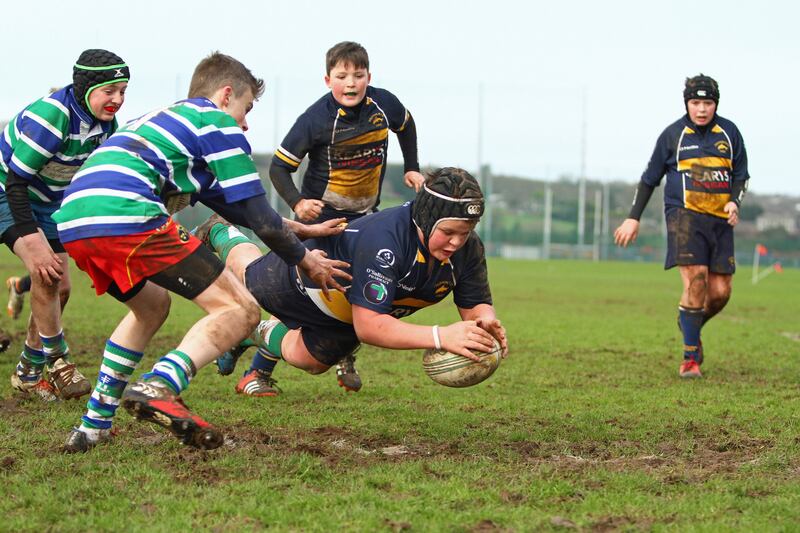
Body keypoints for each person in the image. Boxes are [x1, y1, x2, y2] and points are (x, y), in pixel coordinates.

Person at [55, 51, 350, 453]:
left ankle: (93, 425)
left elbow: (240, 209)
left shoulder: (167, 121)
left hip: (75, 218)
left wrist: (301, 228)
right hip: (126, 211)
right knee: (241, 309)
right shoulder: (217, 123)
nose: (246, 123)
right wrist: (306, 259)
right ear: (226, 95)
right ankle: (160, 385)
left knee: (151, 306)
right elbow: (262, 222)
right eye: (245, 109)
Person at [202, 167, 508, 397]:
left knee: (309, 361)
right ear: (426, 221)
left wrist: (484, 324)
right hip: (304, 280)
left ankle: (253, 332)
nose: (457, 242)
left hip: (348, 310)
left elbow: (474, 303)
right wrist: (441, 337)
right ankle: (222, 233)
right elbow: (370, 326)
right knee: (245, 276)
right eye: (449, 232)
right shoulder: (385, 242)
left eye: (465, 232)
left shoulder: (469, 250)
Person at [267, 41, 426, 391]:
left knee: (366, 291)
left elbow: (407, 124)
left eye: (358, 75)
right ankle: (260, 363)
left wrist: (411, 168)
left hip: (366, 218)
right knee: (303, 295)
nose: (351, 83)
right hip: (322, 222)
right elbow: (279, 168)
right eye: (342, 76)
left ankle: (344, 355)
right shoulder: (315, 120)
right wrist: (297, 203)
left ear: (370, 77)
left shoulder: (384, 104)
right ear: (328, 80)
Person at [0, 50, 130, 401]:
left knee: (63, 288)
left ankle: (28, 368)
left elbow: (90, 179)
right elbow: (15, 184)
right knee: (46, 273)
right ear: (86, 88)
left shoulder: (106, 126)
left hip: (48, 202)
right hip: (8, 191)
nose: (117, 99)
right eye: (110, 91)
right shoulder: (52, 117)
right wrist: (34, 240)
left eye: (123, 90)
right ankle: (59, 363)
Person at [613, 74, 749, 379]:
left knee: (720, 292)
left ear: (716, 104)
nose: (701, 109)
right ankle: (690, 357)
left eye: (708, 103)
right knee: (696, 281)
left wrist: (734, 202)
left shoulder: (729, 133)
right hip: (684, 218)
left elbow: (742, 174)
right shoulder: (673, 136)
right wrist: (633, 217)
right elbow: (649, 179)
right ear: (687, 103)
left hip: (720, 221)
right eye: (695, 102)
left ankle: (690, 325)